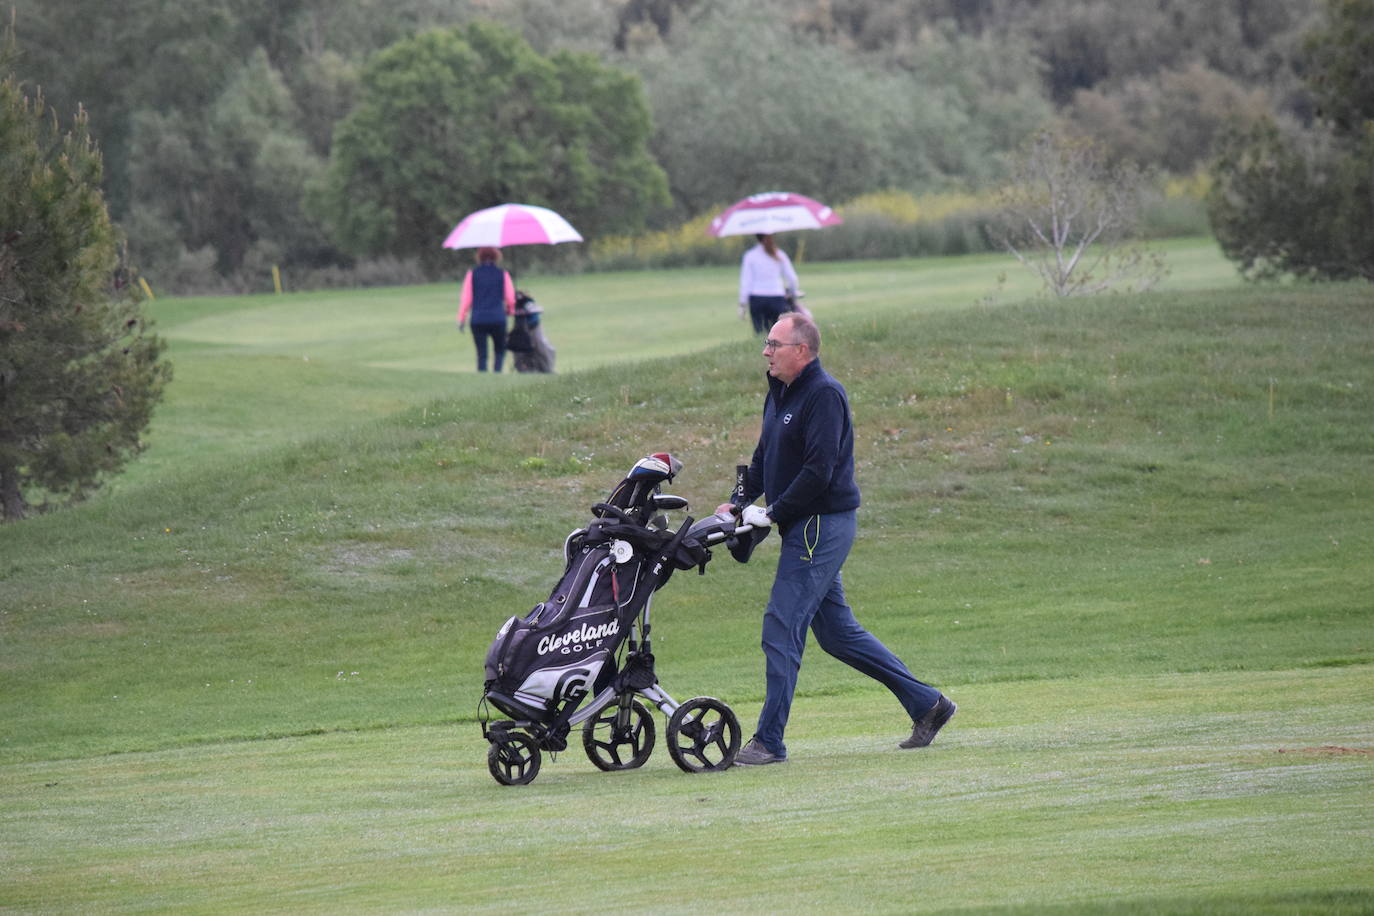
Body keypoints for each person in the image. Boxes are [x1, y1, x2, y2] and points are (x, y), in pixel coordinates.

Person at [718, 312, 955, 766]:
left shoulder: (824, 395)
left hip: (820, 525)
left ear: (801, 351)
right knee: (838, 634)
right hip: (803, 524)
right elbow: (764, 457)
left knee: (782, 625)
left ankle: (769, 741)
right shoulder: (780, 392)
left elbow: (818, 471)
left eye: (774, 344)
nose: (766, 351)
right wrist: (737, 501)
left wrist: (771, 513)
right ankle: (929, 704)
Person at [456, 247, 516, 372]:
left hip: (478, 319)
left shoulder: (472, 274)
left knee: (482, 354)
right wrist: (511, 310)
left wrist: (461, 319)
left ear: (479, 257)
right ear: (496, 257)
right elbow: (510, 298)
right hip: (498, 318)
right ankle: (497, 373)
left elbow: (466, 299)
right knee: (500, 351)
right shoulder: (503, 274)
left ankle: (482, 375)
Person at [738, 233, 800, 335]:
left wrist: (742, 304)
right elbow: (792, 279)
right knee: (779, 335)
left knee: (760, 334)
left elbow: (746, 282)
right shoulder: (779, 254)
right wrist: (793, 295)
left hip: (757, 299)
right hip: (777, 298)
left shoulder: (750, 256)